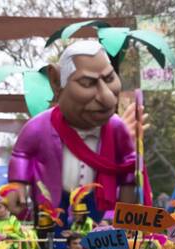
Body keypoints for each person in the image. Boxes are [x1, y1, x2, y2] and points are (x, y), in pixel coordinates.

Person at [8, 40, 151, 220]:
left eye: (109, 79)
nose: (107, 97)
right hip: (54, 206)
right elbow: (22, 154)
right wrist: (17, 184)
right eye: (87, 83)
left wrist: (126, 211)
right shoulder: (39, 127)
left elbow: (129, 166)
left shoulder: (116, 127)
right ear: (56, 82)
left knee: (97, 241)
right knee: (55, 243)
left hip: (99, 206)